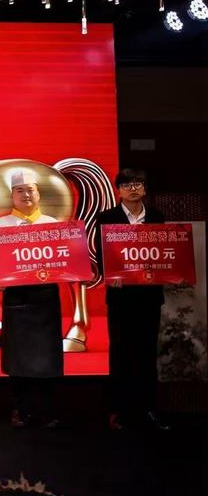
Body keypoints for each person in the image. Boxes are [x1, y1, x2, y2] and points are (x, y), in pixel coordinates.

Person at [95, 168, 169, 431]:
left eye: (138, 183)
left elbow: (165, 251)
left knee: (147, 353)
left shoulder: (156, 217)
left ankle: (149, 409)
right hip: (121, 297)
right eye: (127, 184)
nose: (133, 188)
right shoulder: (107, 218)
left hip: (149, 297)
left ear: (145, 189)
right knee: (121, 353)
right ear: (119, 190)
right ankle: (120, 410)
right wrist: (109, 275)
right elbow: (100, 252)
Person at [0, 169, 62, 429]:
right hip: (16, 297)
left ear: (38, 194)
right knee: (18, 356)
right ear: (12, 196)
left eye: (30, 190)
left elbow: (65, 258)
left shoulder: (52, 224)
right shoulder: (0, 225)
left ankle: (47, 409)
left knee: (47, 356)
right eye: (19, 191)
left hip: (46, 297)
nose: (25, 195)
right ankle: (20, 409)